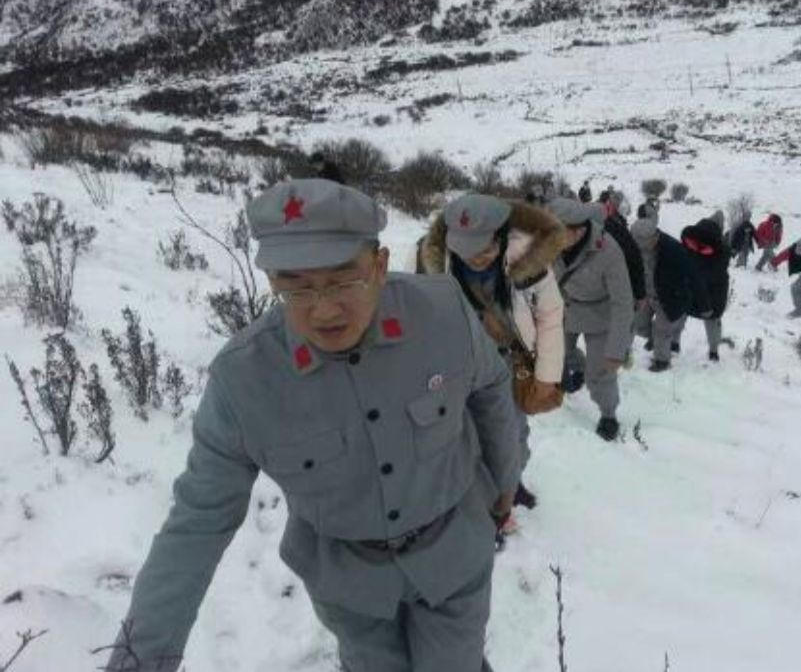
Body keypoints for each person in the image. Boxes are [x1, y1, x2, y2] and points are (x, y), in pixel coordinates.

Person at [106, 179, 520, 672]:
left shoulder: (444, 313)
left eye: (344, 278)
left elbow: (493, 387)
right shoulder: (243, 381)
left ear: (380, 265)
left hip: (452, 553)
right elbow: (196, 522)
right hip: (349, 583)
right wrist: (139, 659)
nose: (323, 309)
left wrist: (503, 484)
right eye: (295, 285)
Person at [419, 193, 564, 521]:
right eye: (466, 252)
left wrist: (546, 376)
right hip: (457, 367)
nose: (477, 259)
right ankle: (483, 501)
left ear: (503, 237)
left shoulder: (530, 260)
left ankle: (510, 482)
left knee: (513, 433)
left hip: (509, 364)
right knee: (464, 434)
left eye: (486, 250)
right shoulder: (432, 261)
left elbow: (550, 317)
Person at [547, 197, 635, 442]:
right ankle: (577, 368)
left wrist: (616, 349)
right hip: (568, 306)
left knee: (600, 372)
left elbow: (622, 302)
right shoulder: (552, 243)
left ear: (579, 230)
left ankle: (608, 414)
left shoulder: (609, 251)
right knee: (556, 353)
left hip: (601, 315)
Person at [630, 217, 709, 372]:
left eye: (639, 242)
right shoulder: (637, 248)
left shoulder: (674, 250)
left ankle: (662, 361)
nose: (637, 245)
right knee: (638, 326)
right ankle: (656, 340)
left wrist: (704, 305)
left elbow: (694, 276)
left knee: (662, 331)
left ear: (651, 238)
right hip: (647, 294)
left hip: (670, 298)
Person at [680, 214, 733, 361]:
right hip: (713, 294)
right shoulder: (722, 249)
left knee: (680, 315)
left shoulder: (692, 240)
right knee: (712, 321)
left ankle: (674, 343)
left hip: (692, 289)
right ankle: (713, 351)